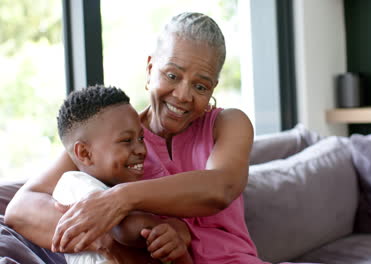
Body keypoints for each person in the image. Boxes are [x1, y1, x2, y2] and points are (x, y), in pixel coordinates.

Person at [5, 12, 313, 263]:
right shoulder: (113, 140)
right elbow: (21, 209)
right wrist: (106, 240)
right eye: (172, 75)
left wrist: (119, 199)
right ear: (151, 67)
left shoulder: (229, 123)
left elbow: (221, 186)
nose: (183, 95)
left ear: (214, 88)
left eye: (201, 86)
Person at [52, 85, 192, 264]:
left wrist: (176, 236)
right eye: (126, 141)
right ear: (85, 153)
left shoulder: (126, 187)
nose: (141, 149)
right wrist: (168, 228)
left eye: (141, 138)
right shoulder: (74, 183)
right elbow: (125, 228)